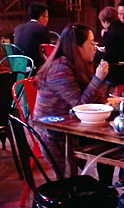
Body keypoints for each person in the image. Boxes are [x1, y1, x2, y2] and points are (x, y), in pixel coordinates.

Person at [34, 23, 109, 175]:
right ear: (77, 47)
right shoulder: (60, 68)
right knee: (106, 145)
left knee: (109, 145)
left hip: (72, 127)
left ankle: (106, 185)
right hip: (54, 133)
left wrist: (107, 102)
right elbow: (80, 106)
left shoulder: (79, 65)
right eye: (91, 43)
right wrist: (98, 79)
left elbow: (95, 99)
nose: (95, 48)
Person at [97, 6, 124, 86]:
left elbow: (109, 57)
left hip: (118, 74)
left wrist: (98, 55)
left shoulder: (111, 32)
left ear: (105, 21)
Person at [14, 2, 51, 70]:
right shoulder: (42, 29)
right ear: (41, 18)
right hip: (34, 68)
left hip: (18, 68)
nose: (47, 19)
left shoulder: (18, 28)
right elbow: (47, 52)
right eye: (47, 17)